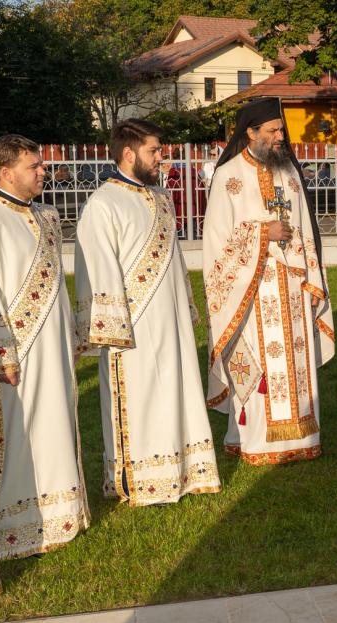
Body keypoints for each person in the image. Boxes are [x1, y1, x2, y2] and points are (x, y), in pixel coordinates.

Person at [0, 134, 90, 559]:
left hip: (52, 344)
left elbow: (58, 289)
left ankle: (62, 511)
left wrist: (69, 333)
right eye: (34, 167)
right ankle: (15, 522)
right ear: (5, 172)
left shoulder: (47, 216)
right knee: (16, 431)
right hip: (14, 351)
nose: (43, 173)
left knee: (55, 423)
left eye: (42, 166)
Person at [74, 119, 220, 504]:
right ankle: (141, 479)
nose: (161, 157)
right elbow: (97, 267)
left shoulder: (159, 197)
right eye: (154, 151)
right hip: (132, 327)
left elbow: (173, 261)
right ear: (128, 153)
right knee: (142, 399)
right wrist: (110, 327)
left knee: (176, 389)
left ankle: (183, 469)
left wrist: (185, 306)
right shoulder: (103, 203)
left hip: (169, 319)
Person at [202, 97, 335, 465]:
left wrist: (311, 279)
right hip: (251, 291)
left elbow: (306, 228)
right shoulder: (228, 177)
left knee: (295, 365)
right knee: (257, 368)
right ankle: (257, 443)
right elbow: (216, 243)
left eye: (281, 130)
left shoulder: (289, 172)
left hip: (291, 288)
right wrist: (263, 233)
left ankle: (303, 437)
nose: (281, 136)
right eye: (273, 130)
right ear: (251, 132)